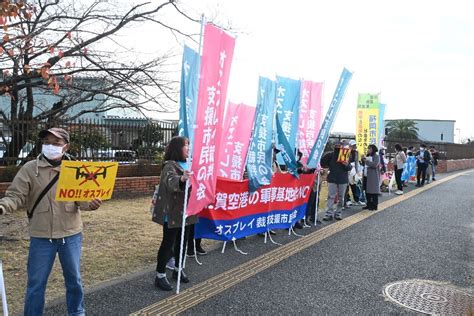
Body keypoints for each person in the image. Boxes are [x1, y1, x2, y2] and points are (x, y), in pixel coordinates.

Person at [0, 127, 102, 316]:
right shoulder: (30, 169)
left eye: (56, 143)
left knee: (74, 280)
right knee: (36, 284)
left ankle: (77, 312)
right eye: (47, 142)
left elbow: (82, 199)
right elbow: (15, 195)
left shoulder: (77, 170)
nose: (50, 146)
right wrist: (3, 206)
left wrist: (92, 204)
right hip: (41, 236)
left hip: (70, 234)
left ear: (66, 147)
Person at [152, 136, 197, 291]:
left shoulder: (191, 164)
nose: (188, 149)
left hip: (188, 211)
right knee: (168, 244)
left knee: (182, 242)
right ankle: (160, 275)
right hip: (172, 212)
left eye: (189, 146)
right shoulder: (169, 166)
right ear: (177, 148)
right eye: (185, 146)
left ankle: (178, 269)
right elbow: (172, 183)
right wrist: (183, 178)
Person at [321, 142, 352, 221]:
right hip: (332, 178)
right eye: (336, 145)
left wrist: (346, 164)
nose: (337, 147)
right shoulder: (330, 155)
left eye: (339, 145)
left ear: (342, 146)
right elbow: (323, 163)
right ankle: (329, 213)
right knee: (331, 196)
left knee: (341, 197)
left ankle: (338, 213)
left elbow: (349, 167)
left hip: (343, 179)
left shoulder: (345, 154)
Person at [363, 144, 381, 210]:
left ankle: (374, 205)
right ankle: (368, 204)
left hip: (373, 176)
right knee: (367, 191)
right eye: (368, 149)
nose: (368, 150)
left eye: (369, 149)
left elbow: (374, 165)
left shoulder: (376, 156)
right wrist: (363, 160)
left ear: (373, 149)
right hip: (366, 176)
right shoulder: (367, 156)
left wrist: (366, 161)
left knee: (373, 192)